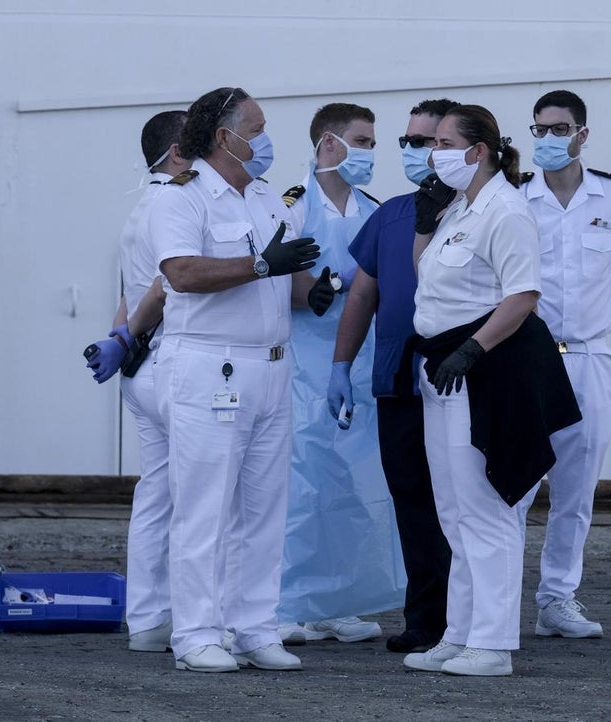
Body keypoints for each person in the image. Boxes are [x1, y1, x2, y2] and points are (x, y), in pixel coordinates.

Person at [148, 86, 335, 673]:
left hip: (271, 368)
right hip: (209, 365)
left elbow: (280, 282)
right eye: (255, 127)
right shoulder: (181, 198)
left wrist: (314, 294)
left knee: (263, 508)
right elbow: (180, 272)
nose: (264, 138)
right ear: (224, 135)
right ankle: (197, 633)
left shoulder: (265, 198)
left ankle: (254, 627)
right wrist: (260, 264)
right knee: (204, 507)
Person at [401, 105, 580, 677]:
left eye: (446, 143)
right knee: (454, 511)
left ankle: (494, 643)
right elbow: (427, 275)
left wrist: (474, 348)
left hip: (484, 369)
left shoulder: (506, 208)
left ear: (478, 151)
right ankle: (460, 632)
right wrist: (425, 225)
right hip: (443, 368)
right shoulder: (459, 206)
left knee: (486, 507)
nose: (435, 153)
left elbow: (522, 294)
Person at [328, 99, 459, 654]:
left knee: (465, 502)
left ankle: (473, 618)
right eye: (405, 141)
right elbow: (363, 290)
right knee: (412, 498)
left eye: (424, 141)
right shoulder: (392, 213)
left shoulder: (488, 209)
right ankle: (425, 618)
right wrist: (340, 363)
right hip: (398, 379)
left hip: (462, 379)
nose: (410, 152)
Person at [523, 90, 611, 639]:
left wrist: (590, 318)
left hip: (588, 357)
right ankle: (493, 598)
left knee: (576, 491)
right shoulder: (515, 197)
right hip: (526, 359)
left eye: (560, 129)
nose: (549, 140)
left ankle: (558, 598)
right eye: (539, 130)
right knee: (511, 485)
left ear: (582, 134)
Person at [276, 103, 405, 645]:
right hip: (305, 366)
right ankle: (286, 604)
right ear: (329, 143)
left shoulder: (373, 210)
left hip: (359, 363)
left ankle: (338, 600)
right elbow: (275, 275)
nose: (370, 153)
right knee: (302, 485)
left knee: (355, 484)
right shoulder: (292, 207)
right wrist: (315, 292)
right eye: (363, 141)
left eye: (373, 142)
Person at [82, 109, 190, 654]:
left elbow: (131, 289)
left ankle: (148, 620)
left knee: (156, 495)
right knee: (199, 497)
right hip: (170, 357)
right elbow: (165, 287)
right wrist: (128, 336)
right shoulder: (175, 206)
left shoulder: (140, 208)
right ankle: (195, 621)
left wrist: (120, 336)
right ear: (178, 152)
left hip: (141, 366)